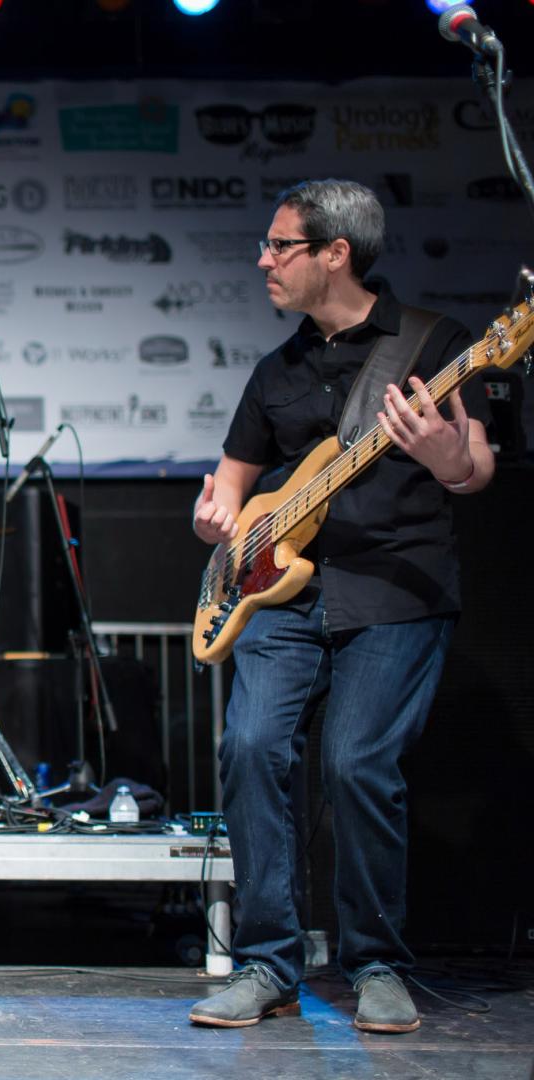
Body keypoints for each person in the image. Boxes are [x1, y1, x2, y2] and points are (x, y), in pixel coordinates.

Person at [187, 180, 495, 1033]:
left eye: (279, 246)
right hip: (283, 598)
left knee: (356, 765)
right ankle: (267, 964)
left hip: (396, 591)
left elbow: (477, 470)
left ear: (335, 253)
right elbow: (227, 497)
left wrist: (445, 458)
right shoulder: (273, 371)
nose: (263, 260)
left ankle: (377, 964)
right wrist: (212, 521)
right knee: (249, 749)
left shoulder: (438, 343)